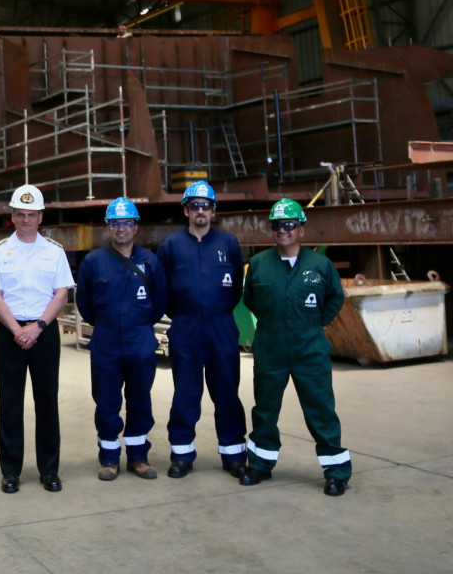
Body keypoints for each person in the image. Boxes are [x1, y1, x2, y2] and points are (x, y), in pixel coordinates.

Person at [240, 198, 352, 496]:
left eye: (289, 225)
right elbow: (250, 299)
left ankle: (337, 472)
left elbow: (334, 299)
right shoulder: (260, 264)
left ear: (301, 229)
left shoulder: (320, 265)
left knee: (321, 410)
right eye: (277, 225)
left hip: (309, 350)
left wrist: (313, 324)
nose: (283, 230)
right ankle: (260, 464)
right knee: (265, 409)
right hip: (270, 347)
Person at [0, 184, 74, 494]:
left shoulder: (54, 251)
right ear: (12, 216)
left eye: (31, 214)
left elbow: (62, 293)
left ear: (40, 216)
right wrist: (18, 330)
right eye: (20, 214)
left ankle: (49, 471)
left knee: (47, 403)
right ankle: (10, 472)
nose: (25, 219)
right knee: (9, 405)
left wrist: (38, 327)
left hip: (44, 333)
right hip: (10, 335)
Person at [156, 181, 247, 479]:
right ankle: (182, 454)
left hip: (222, 326)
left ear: (213, 211)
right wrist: (186, 315)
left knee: (226, 392)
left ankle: (233, 453)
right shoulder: (170, 246)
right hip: (186, 327)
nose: (200, 211)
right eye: (194, 206)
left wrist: (216, 311)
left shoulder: (228, 244)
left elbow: (235, 289)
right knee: (186, 391)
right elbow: (163, 291)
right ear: (185, 210)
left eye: (206, 206)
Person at [75, 198, 168, 481]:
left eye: (127, 223)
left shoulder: (150, 262)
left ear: (136, 227)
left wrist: (138, 325)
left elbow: (160, 301)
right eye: (115, 224)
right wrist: (106, 326)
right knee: (106, 402)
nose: (121, 229)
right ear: (109, 228)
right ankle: (110, 458)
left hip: (140, 340)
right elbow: (84, 303)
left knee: (140, 401)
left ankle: (138, 458)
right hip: (105, 342)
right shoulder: (93, 262)